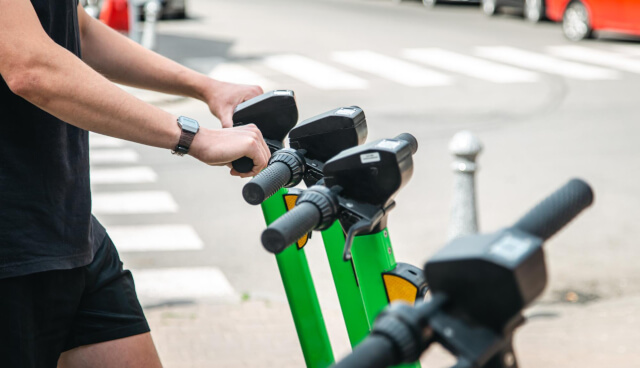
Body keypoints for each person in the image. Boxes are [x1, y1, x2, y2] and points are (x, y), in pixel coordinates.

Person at [0, 0, 271, 367]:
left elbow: (75, 27)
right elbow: (29, 66)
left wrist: (207, 88)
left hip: (68, 228)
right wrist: (195, 138)